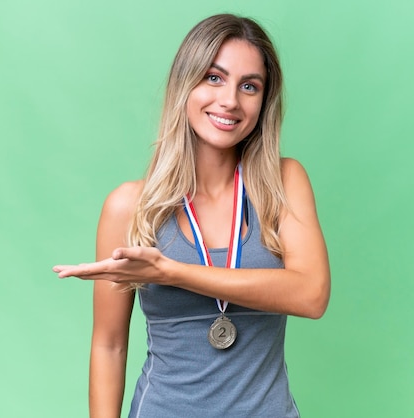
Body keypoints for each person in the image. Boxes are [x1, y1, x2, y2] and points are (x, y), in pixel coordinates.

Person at [53, 13, 330, 418]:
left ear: (263, 101)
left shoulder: (283, 183)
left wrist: (172, 272)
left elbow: (311, 295)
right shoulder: (130, 207)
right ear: (186, 85)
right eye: (213, 78)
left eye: (249, 86)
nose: (230, 100)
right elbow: (109, 345)